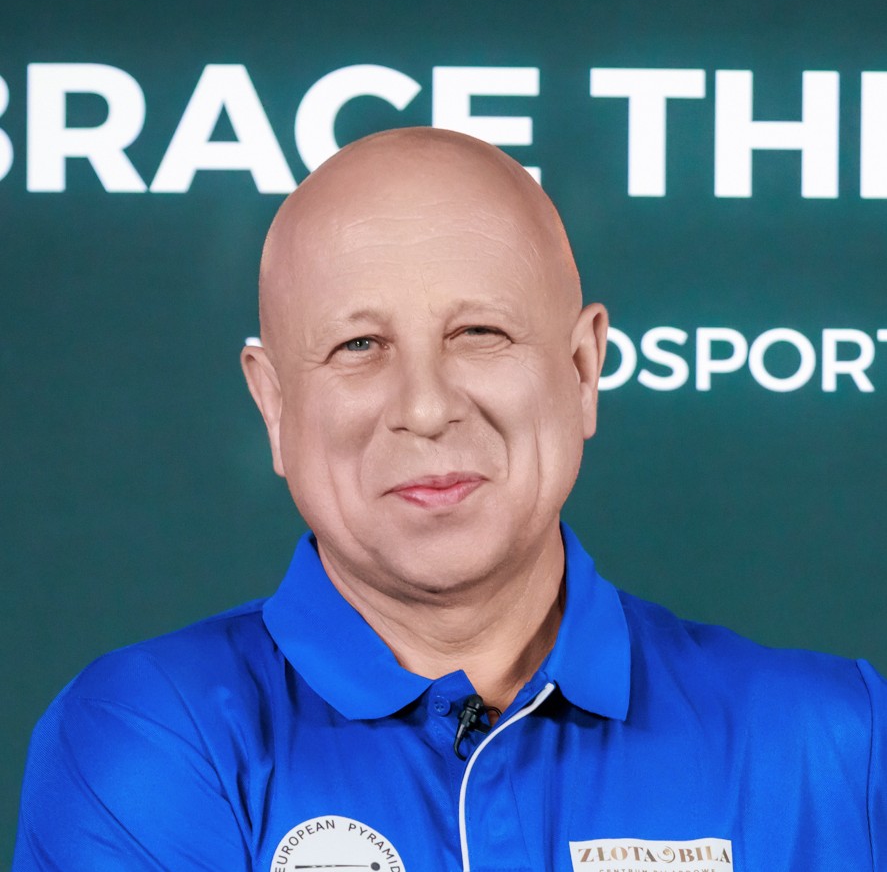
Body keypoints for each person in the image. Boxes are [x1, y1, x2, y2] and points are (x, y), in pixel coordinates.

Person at [13, 127, 885, 872]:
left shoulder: (836, 745)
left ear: (582, 369)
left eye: (479, 332)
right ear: (274, 405)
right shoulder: (151, 738)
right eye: (359, 345)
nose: (426, 406)